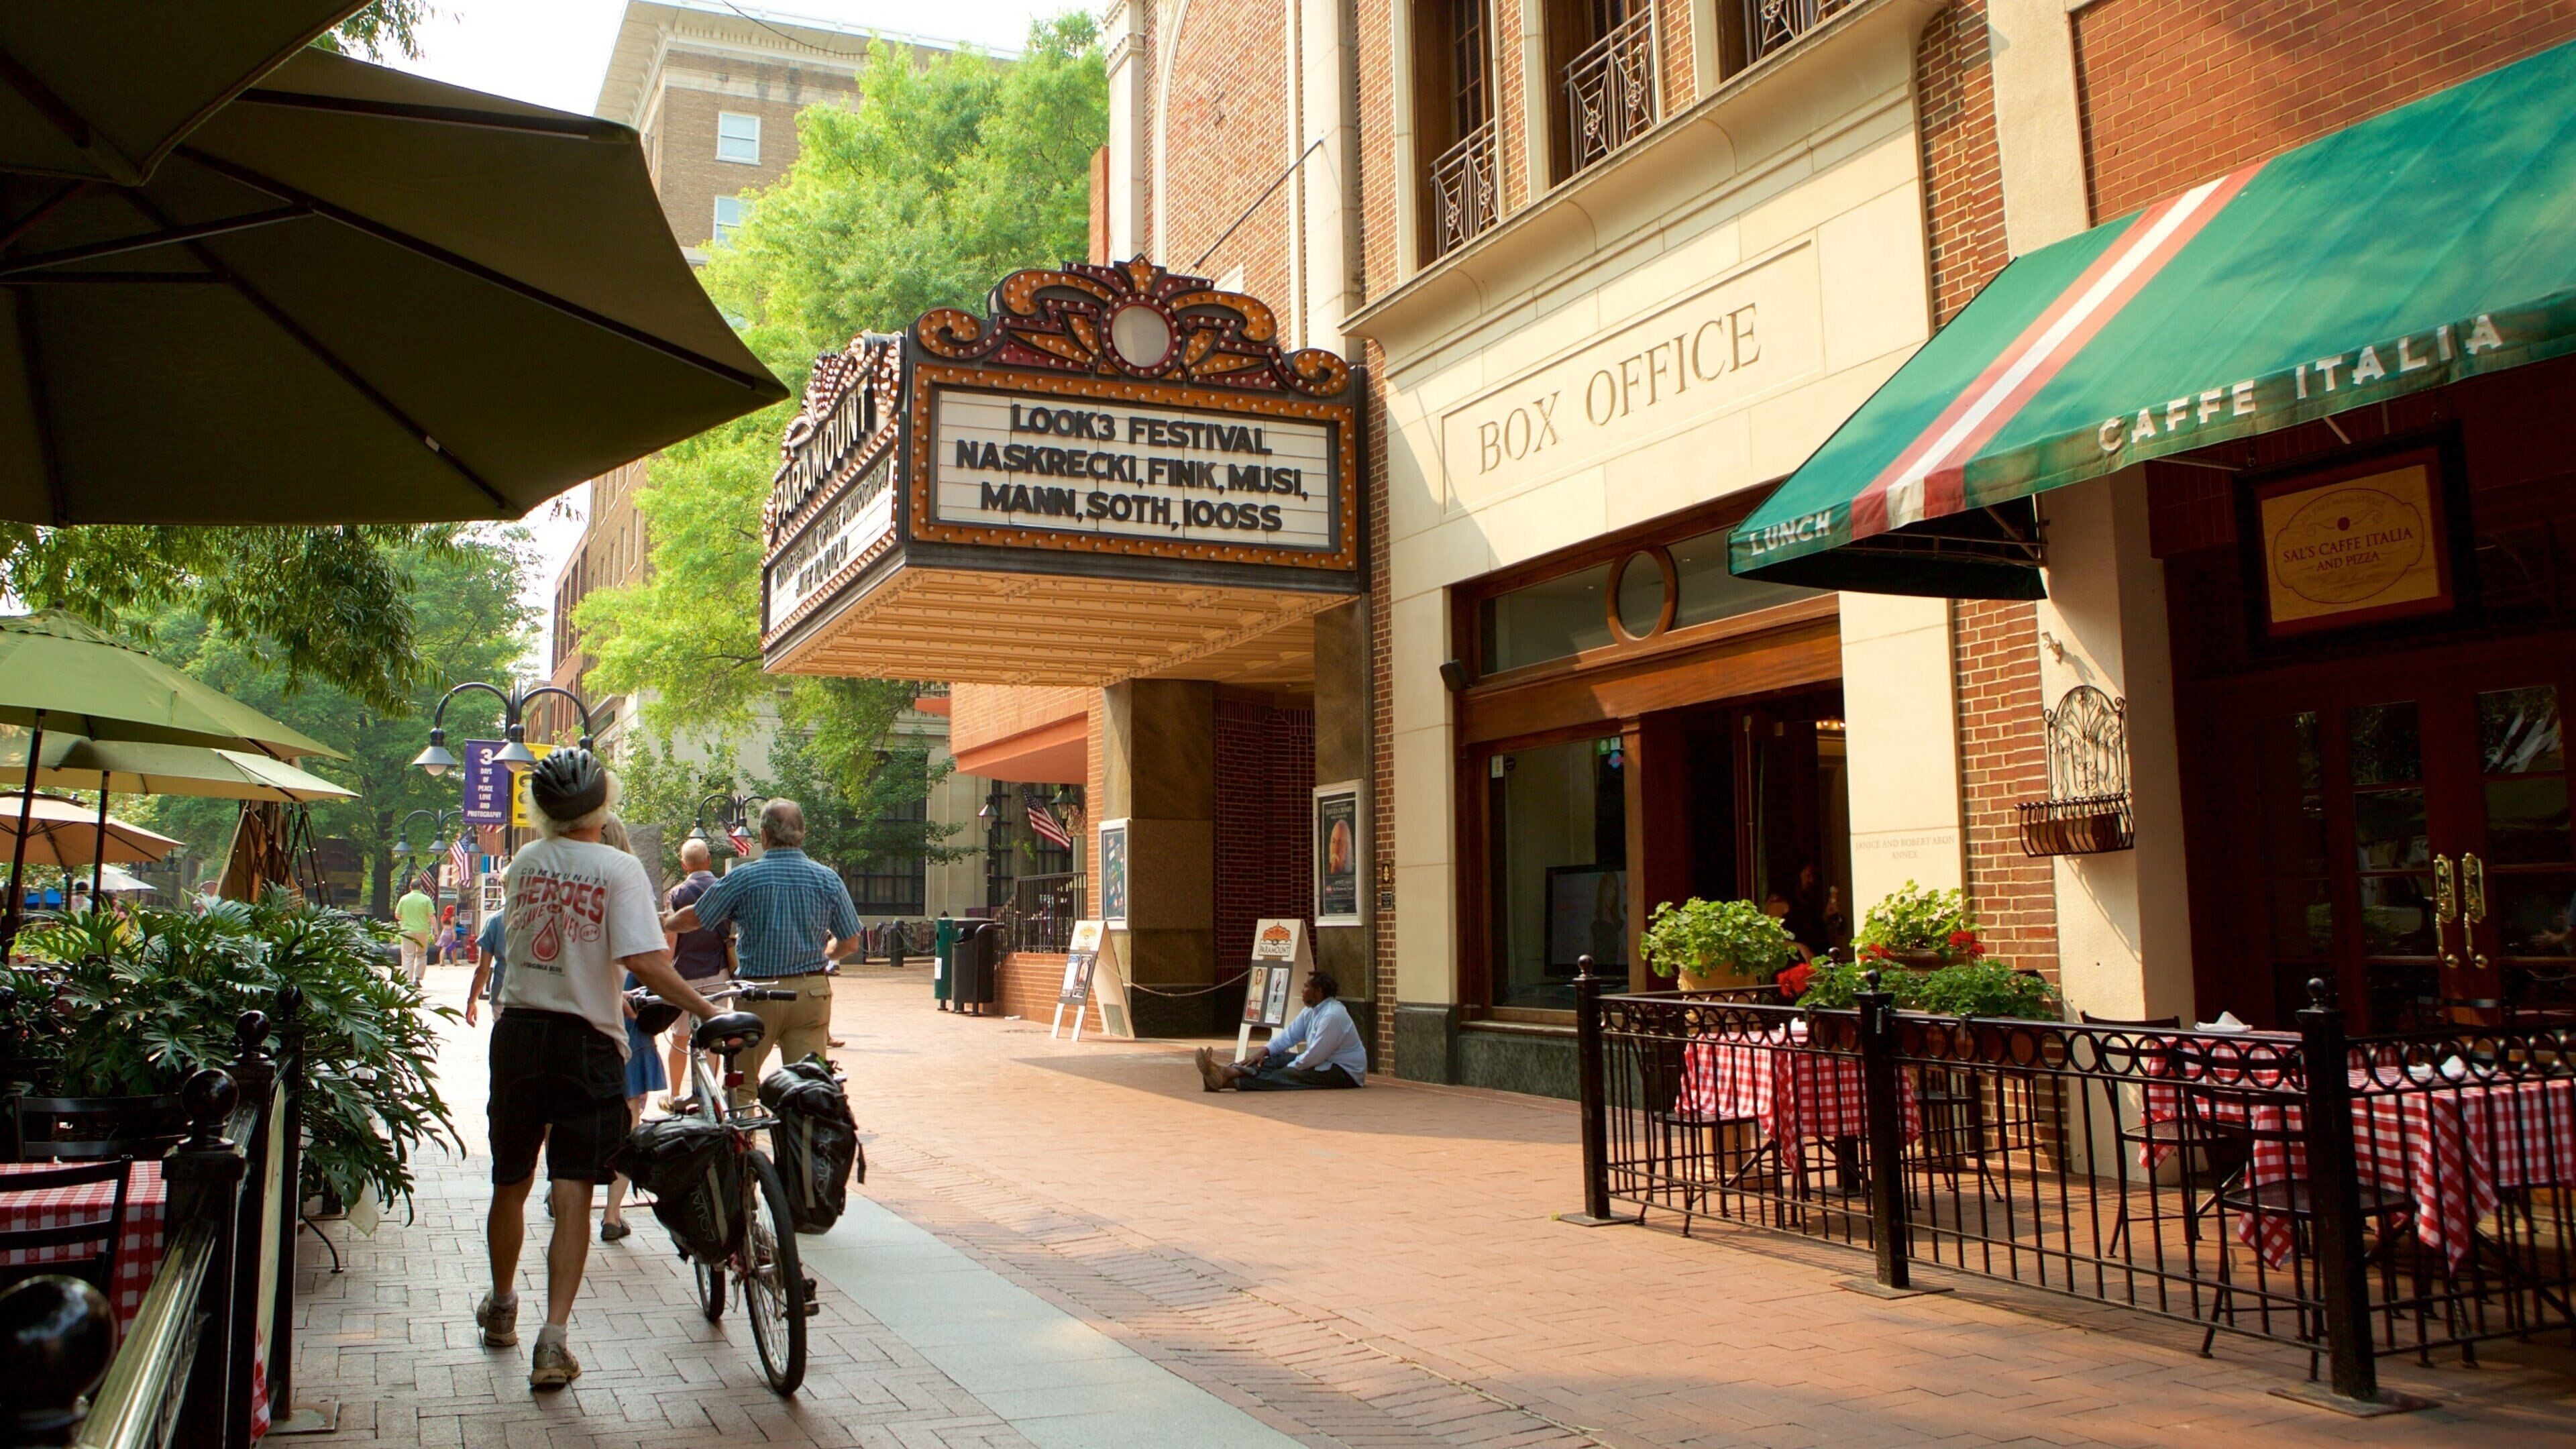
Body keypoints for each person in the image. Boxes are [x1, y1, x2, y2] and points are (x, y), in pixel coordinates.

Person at [476, 750, 719, 1391]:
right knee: (574, 1190)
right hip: (588, 1042)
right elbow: (643, 958)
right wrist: (702, 1008)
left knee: (511, 1180)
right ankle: (553, 1341)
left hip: (520, 1035)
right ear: (602, 803)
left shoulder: (524, 863)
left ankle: (502, 1305)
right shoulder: (619, 868)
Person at [660, 799, 858, 1099]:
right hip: (811, 993)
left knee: (742, 1086)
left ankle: (745, 1143)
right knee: (809, 1087)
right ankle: (804, 1144)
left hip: (758, 994)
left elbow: (697, 917)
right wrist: (826, 955)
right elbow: (850, 942)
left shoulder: (744, 877)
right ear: (802, 833)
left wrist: (668, 922)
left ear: (764, 835)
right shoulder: (827, 878)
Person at [592, 818, 665, 1246]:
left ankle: (560, 1190)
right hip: (628, 1021)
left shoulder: (576, 882)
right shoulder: (631, 885)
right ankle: (612, 1213)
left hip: (585, 1016)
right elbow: (650, 959)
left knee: (575, 1116)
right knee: (629, 1119)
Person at [1194, 971, 1366, 1091]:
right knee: (1273, 1058)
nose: (1302, 990)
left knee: (1285, 1076)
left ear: (1318, 991)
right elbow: (1290, 1035)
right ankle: (1227, 1071)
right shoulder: (1312, 1010)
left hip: (1343, 1072)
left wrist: (1286, 1068)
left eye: (1306, 986)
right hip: (1321, 1062)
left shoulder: (1333, 1016)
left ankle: (1226, 1081)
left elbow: (1315, 1056)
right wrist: (1264, 1051)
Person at [659, 838, 733, 1102]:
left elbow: (671, 938)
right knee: (713, 1034)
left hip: (684, 974)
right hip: (718, 970)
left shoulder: (677, 894)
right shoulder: (724, 888)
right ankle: (710, 1094)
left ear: (683, 864)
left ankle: (676, 1095)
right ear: (709, 860)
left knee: (680, 1036)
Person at [464, 902, 507, 1028]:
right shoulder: (544, 918)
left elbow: (483, 970)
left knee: (503, 1043)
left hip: (502, 995)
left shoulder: (495, 920)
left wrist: (472, 1001)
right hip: (536, 1000)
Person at [394, 876, 436, 985]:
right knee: (421, 954)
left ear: (410, 887)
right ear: (420, 887)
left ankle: (407, 979)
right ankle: (417, 978)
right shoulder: (426, 899)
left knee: (408, 954)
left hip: (407, 930)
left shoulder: (404, 899)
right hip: (422, 930)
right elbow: (432, 916)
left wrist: (407, 919)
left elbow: (397, 915)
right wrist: (436, 931)